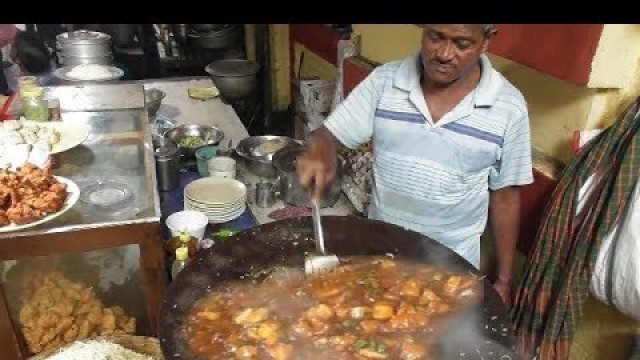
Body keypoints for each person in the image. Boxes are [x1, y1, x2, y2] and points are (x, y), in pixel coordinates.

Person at [296, 24, 534, 308]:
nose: (444, 53)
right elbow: (328, 134)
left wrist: (504, 281)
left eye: (462, 43)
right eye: (435, 37)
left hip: (451, 270)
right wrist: (321, 144)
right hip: (381, 256)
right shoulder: (385, 81)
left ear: (486, 42)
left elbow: (506, 197)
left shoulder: (508, 107)